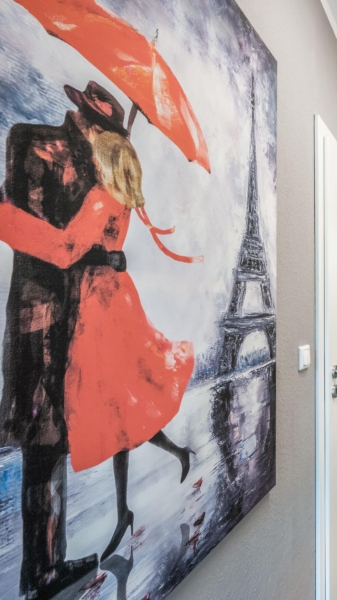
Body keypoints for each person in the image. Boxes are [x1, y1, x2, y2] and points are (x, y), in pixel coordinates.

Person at [0, 131, 197, 565]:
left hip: (96, 308)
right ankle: (132, 501)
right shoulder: (123, 202)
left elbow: (66, 249)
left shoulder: (98, 198)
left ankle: (131, 502)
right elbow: (101, 248)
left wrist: (6, 218)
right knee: (122, 405)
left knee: (115, 406)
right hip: (118, 299)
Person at [0, 81, 129, 599]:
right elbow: (39, 233)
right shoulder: (32, 141)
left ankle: (46, 566)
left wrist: (107, 239)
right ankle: (44, 572)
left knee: (53, 441)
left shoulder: (95, 175)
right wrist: (97, 243)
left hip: (73, 318)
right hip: (40, 317)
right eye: (103, 131)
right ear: (85, 122)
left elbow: (77, 243)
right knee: (42, 438)